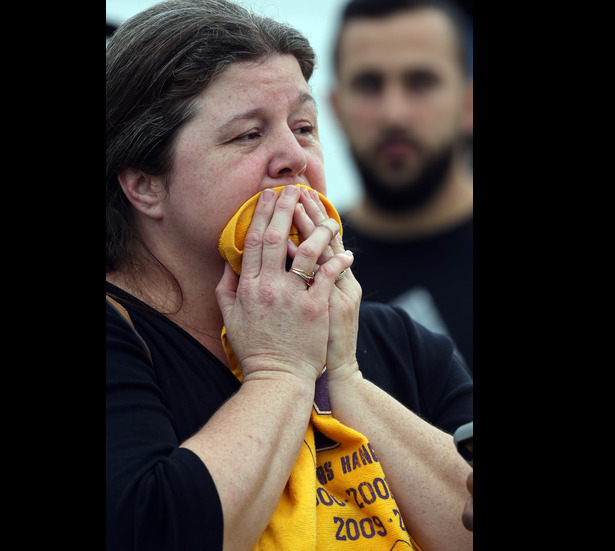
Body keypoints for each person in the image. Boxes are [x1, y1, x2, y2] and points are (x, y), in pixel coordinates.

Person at [106, 1, 472, 549]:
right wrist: (281, 372)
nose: (293, 157)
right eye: (248, 135)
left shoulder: (398, 341)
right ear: (143, 185)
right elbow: (153, 528)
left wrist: (342, 378)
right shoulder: (119, 338)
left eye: (303, 127)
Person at [330, 0, 474, 374]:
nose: (394, 113)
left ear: (469, 103)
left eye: (420, 82)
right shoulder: (307, 268)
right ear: (334, 108)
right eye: (368, 85)